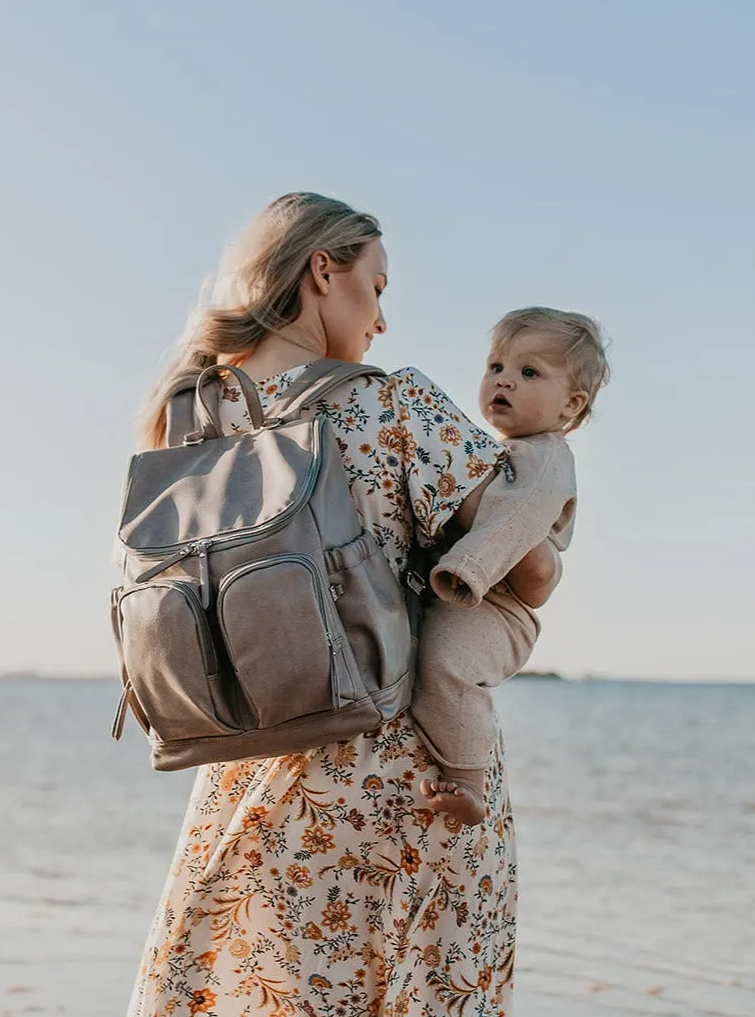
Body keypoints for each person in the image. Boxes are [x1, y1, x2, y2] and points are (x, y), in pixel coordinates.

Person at [126, 192, 560, 1017]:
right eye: (379, 286)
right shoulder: (390, 405)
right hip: (402, 769)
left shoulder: (184, 411)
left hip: (249, 772)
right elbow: (531, 569)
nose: (383, 319)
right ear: (324, 270)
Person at [416, 308, 611, 825]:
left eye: (529, 373)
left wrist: (468, 568)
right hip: (469, 591)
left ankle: (468, 781)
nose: (503, 379)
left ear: (571, 405)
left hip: (496, 607)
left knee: (446, 662)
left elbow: (518, 518)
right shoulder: (497, 453)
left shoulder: (547, 458)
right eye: (496, 365)